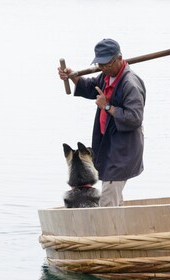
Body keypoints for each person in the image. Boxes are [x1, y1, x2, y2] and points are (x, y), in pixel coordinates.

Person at [58, 38, 145, 207]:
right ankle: (119, 229)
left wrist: (107, 106)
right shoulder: (107, 76)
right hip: (108, 145)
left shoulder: (130, 84)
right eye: (101, 64)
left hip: (123, 150)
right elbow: (92, 87)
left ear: (119, 58)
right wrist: (72, 76)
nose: (104, 68)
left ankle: (108, 232)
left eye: (108, 64)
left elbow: (134, 118)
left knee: (107, 200)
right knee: (114, 199)